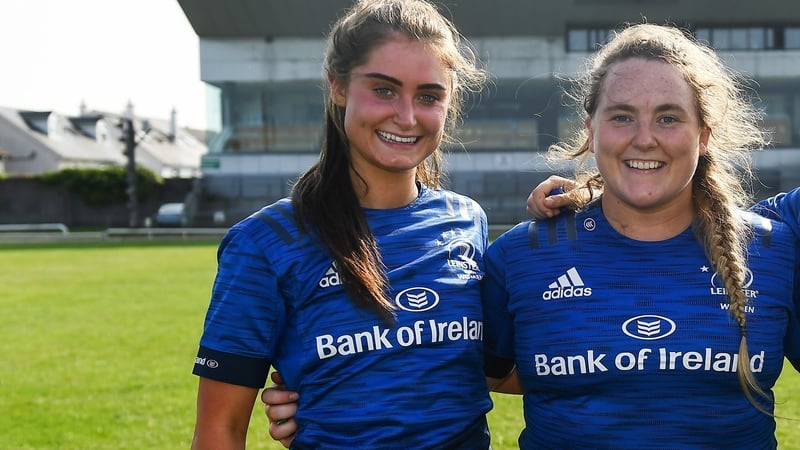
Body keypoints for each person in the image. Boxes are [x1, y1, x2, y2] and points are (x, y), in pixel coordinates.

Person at [262, 22, 800, 449]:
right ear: (589, 130)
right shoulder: (521, 256)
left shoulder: (776, 251)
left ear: (703, 135)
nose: (644, 138)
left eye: (667, 118)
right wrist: (328, 397)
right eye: (621, 117)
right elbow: (455, 363)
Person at [190, 0, 496, 448]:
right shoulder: (265, 242)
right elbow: (220, 430)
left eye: (429, 96)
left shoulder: (468, 221)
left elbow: (490, 365)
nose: (407, 116)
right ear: (338, 86)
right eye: (384, 90)